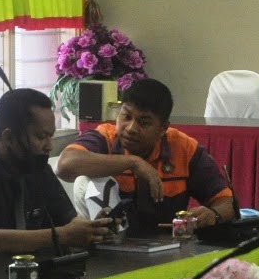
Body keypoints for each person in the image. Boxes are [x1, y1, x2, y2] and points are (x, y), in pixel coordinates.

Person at [0, 88, 111, 263]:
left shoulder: (39, 169)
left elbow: (68, 224)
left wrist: (92, 229)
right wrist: (61, 236)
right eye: (41, 137)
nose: (49, 146)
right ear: (8, 137)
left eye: (51, 137)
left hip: (31, 271)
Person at [57, 78, 236, 235]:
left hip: (168, 245)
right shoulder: (105, 137)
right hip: (107, 243)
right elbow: (65, 166)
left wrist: (214, 215)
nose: (131, 128)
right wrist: (133, 162)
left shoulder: (184, 148)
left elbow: (226, 202)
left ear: (163, 128)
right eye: (126, 116)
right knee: (84, 181)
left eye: (144, 123)